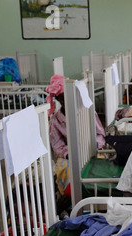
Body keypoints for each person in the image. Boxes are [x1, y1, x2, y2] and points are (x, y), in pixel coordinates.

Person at [46, 74, 106, 210]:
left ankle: (71, 204)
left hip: (92, 150)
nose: (64, 99)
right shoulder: (55, 121)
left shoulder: (87, 111)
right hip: (69, 157)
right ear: (57, 99)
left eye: (66, 95)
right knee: (67, 170)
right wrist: (71, 153)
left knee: (96, 168)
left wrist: (93, 146)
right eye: (60, 97)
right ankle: (73, 205)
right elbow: (57, 146)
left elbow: (100, 134)